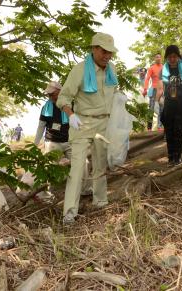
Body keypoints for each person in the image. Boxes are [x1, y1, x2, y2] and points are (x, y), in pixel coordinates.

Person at [56, 32, 118, 224]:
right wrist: (71, 115)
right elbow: (63, 98)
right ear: (94, 49)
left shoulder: (111, 70)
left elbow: (113, 94)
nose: (107, 56)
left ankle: (100, 202)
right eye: (104, 51)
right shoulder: (80, 70)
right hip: (82, 123)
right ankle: (69, 212)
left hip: (104, 124)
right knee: (77, 169)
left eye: (110, 52)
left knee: (100, 166)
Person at [156, 45, 182, 166]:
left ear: (178, 56)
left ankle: (178, 157)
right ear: (167, 58)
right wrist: (158, 101)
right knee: (169, 131)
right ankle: (170, 157)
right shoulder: (163, 71)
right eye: (170, 57)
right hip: (169, 104)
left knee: (179, 130)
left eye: (175, 56)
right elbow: (160, 89)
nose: (172, 59)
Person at [142, 53, 163, 130]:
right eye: (157, 57)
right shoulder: (151, 68)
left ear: (161, 58)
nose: (158, 58)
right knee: (151, 108)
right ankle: (149, 127)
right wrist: (145, 89)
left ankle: (159, 126)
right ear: (154, 58)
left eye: (160, 57)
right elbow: (147, 79)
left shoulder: (164, 67)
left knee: (161, 108)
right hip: (154, 89)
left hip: (162, 90)